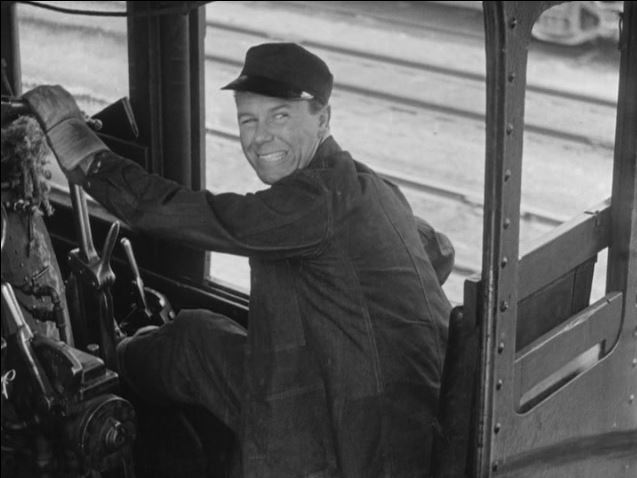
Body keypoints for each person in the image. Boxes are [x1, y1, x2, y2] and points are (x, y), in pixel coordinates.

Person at [23, 42, 454, 478]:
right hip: (415, 426)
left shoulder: (314, 201)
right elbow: (439, 251)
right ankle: (128, 353)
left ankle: (115, 365)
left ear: (323, 119)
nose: (260, 136)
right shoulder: (371, 187)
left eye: (279, 117)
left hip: (355, 445)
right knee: (197, 334)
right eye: (248, 120)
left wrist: (85, 153)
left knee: (190, 343)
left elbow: (185, 214)